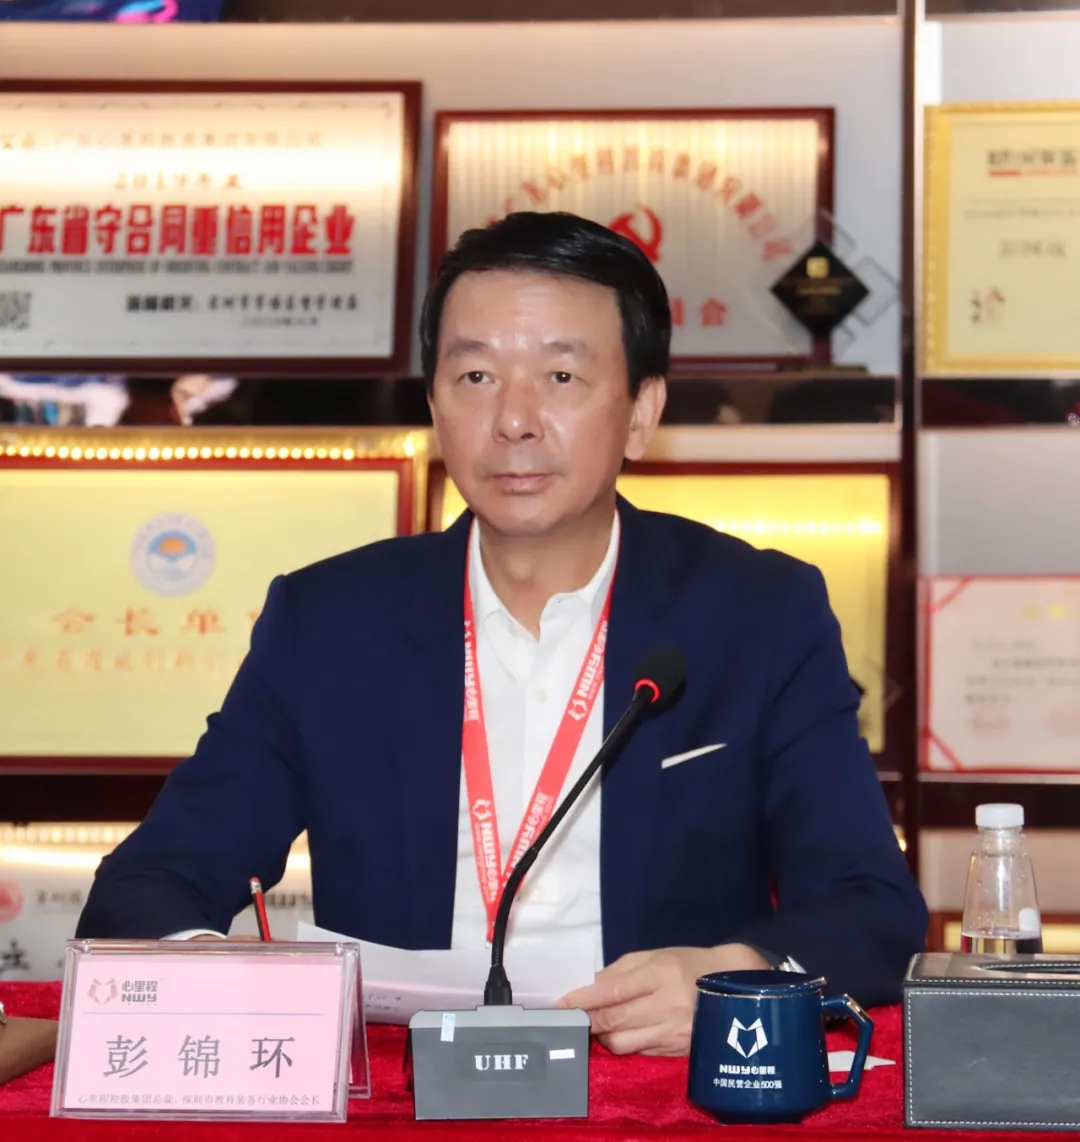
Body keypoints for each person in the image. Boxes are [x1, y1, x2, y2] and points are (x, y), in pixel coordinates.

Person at [76, 211, 927, 1056]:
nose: (514, 420)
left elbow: (872, 907)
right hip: (400, 1082)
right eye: (476, 376)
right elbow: (150, 882)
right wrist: (221, 978)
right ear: (434, 405)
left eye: (561, 376)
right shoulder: (330, 621)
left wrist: (737, 979)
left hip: (653, 1075)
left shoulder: (757, 613)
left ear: (641, 411)